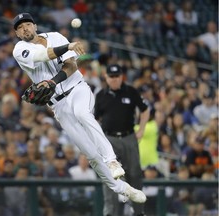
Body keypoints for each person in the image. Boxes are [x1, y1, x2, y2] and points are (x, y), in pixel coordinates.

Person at [12, 13, 146, 203]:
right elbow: (43, 55)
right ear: (17, 34)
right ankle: (123, 189)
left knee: (83, 114)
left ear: (35, 26)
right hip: (58, 105)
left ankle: (112, 160)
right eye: (19, 27)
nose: (24, 28)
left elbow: (72, 65)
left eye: (27, 24)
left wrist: (53, 80)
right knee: (90, 154)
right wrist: (68, 46)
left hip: (77, 89)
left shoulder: (55, 36)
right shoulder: (20, 49)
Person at [94, 64, 150, 216]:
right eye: (111, 76)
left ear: (121, 77)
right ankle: (110, 213)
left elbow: (145, 110)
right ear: (106, 77)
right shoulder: (101, 95)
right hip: (109, 139)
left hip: (128, 137)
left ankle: (138, 212)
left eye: (117, 76)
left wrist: (142, 129)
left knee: (135, 174)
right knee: (110, 177)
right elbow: (94, 119)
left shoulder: (130, 91)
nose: (114, 79)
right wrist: (99, 138)